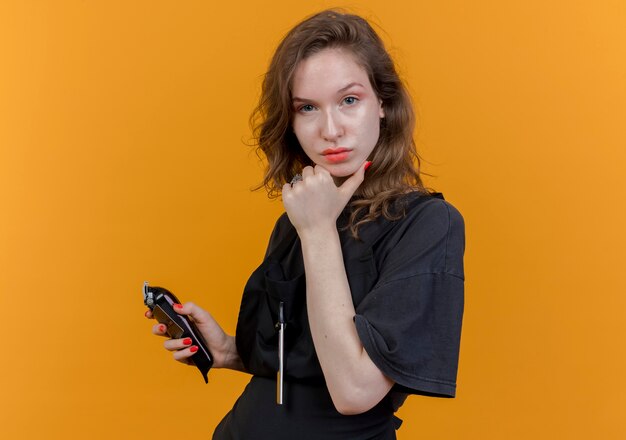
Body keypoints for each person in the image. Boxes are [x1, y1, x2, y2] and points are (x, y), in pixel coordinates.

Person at [145, 9, 464, 439]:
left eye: (349, 100)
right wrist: (228, 351)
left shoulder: (426, 224)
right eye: (308, 108)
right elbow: (301, 366)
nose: (330, 129)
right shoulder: (300, 216)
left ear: (384, 103)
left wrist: (317, 232)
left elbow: (353, 390)